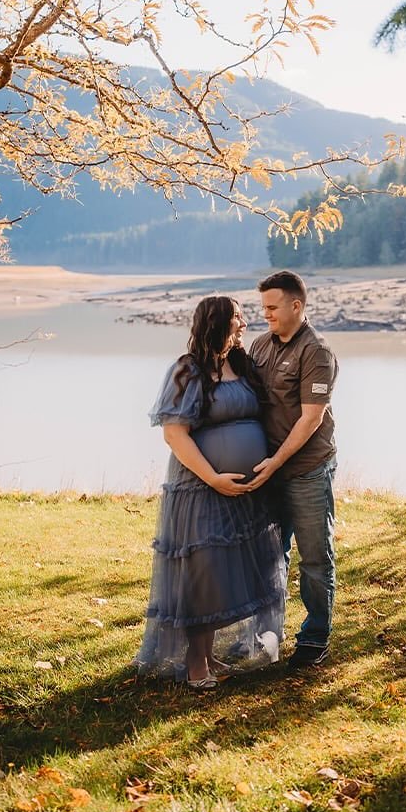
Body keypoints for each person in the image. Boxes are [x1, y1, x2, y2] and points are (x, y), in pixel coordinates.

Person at [135, 295, 285, 690]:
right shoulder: (188, 370)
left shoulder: (241, 365)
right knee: (203, 575)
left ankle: (208, 654)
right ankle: (194, 663)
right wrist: (213, 478)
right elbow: (174, 433)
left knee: (227, 574)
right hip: (200, 489)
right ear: (217, 322)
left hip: (248, 492)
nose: (244, 323)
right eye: (237, 317)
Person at [246, 270, 338, 670]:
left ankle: (315, 638)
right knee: (270, 556)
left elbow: (311, 419)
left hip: (306, 470)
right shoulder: (259, 345)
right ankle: (269, 637)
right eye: (262, 307)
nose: (265, 314)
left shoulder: (316, 352)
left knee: (315, 558)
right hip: (267, 471)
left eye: (272, 307)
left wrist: (276, 462)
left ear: (296, 306)